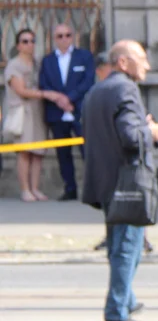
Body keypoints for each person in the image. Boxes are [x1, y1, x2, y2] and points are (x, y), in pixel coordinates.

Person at [82, 40, 158, 321]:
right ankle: (116, 312)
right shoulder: (126, 89)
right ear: (123, 62)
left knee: (120, 243)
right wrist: (151, 131)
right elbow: (131, 138)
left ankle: (126, 299)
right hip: (127, 183)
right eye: (141, 58)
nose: (147, 65)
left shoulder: (99, 89)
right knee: (127, 246)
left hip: (105, 181)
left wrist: (141, 126)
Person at [4, 28, 71, 202]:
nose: (30, 44)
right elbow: (20, 90)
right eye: (25, 41)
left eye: (32, 41)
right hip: (22, 111)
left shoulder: (37, 63)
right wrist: (47, 94)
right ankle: (25, 189)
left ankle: (35, 188)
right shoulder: (14, 64)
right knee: (25, 151)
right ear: (18, 45)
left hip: (38, 111)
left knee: (38, 151)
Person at [38, 22, 95, 200]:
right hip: (57, 112)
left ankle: (94, 189)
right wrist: (60, 100)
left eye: (68, 35)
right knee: (63, 154)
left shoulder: (83, 56)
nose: (64, 39)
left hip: (79, 110)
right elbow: (44, 83)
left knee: (88, 151)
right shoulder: (48, 60)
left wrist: (69, 98)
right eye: (60, 36)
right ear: (54, 39)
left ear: (73, 37)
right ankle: (70, 188)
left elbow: (88, 81)